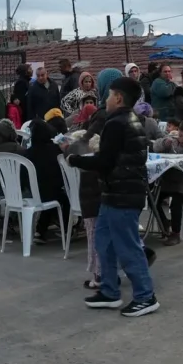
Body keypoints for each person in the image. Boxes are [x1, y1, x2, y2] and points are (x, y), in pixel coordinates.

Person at [68, 77, 159, 317]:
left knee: (128, 247)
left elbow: (105, 161)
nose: (105, 99)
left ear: (118, 98)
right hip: (114, 193)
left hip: (123, 194)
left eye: (108, 95)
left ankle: (145, 296)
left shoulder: (118, 122)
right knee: (104, 242)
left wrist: (75, 159)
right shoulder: (128, 120)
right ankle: (109, 291)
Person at [68, 109, 106, 288]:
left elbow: (70, 154)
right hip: (109, 200)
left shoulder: (86, 151)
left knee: (95, 237)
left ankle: (98, 276)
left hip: (91, 202)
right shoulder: (111, 149)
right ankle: (107, 274)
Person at [23, 119, 68, 244]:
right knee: (64, 197)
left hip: (32, 192)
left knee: (49, 193)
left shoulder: (28, 152)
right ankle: (68, 228)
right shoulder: (55, 150)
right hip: (51, 191)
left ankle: (40, 231)